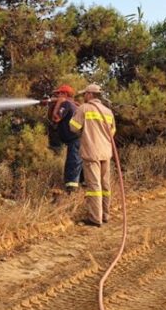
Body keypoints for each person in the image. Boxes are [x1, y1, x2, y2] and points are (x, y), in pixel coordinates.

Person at [68, 83, 116, 226]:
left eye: (85, 94)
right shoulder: (108, 111)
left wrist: (83, 127)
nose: (83, 97)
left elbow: (73, 127)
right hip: (106, 152)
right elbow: (112, 132)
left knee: (94, 186)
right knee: (105, 184)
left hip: (91, 152)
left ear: (90, 95)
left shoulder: (84, 108)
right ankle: (105, 215)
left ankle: (95, 218)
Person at [46, 84, 82, 193]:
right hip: (78, 140)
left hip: (75, 140)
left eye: (59, 94)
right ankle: (81, 187)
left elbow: (56, 118)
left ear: (65, 94)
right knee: (78, 164)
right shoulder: (74, 105)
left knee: (72, 163)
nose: (57, 96)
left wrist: (58, 103)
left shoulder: (66, 104)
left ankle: (71, 190)